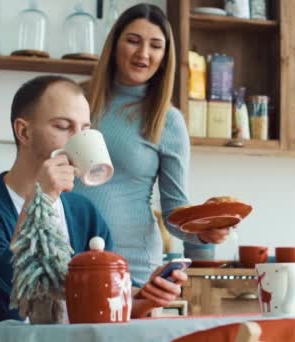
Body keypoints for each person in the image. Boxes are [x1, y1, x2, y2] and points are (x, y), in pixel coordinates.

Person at [0, 75, 187, 342]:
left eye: (85, 129)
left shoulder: (84, 213)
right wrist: (40, 201)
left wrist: (145, 300)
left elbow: (98, 307)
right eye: (63, 126)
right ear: (24, 132)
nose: (77, 139)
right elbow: (4, 303)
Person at [75, 3, 230, 285]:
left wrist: (202, 234)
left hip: (131, 265)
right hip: (67, 257)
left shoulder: (168, 120)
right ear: (114, 46)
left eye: (156, 45)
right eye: (133, 41)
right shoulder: (77, 100)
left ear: (165, 55)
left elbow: (174, 210)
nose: (143, 54)